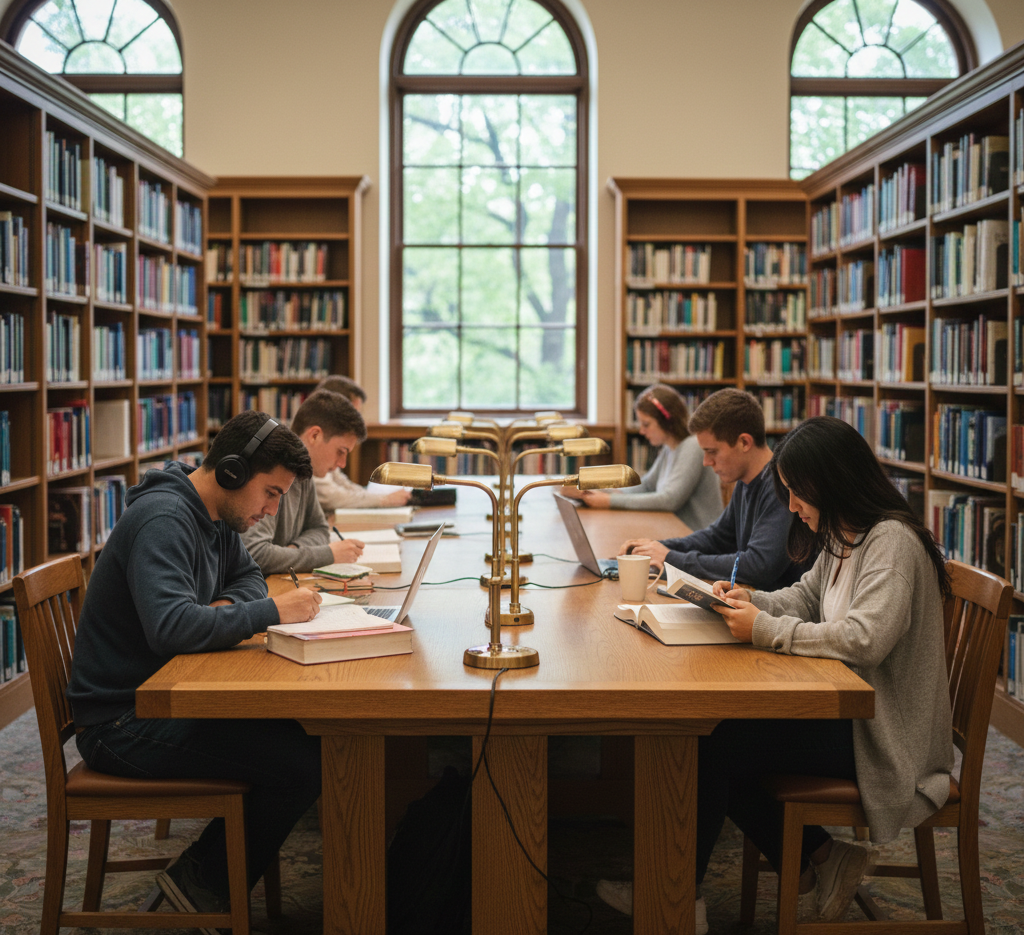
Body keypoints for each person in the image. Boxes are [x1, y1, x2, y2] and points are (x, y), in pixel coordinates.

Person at [600, 416, 954, 930]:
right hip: (857, 713)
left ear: (830, 483)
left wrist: (764, 628)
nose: (791, 507)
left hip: (886, 734)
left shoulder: (890, 543)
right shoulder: (846, 532)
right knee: (720, 743)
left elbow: (865, 639)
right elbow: (807, 597)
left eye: (797, 494)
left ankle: (678, 904)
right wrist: (749, 598)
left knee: (714, 747)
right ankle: (823, 859)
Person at [68, 411, 327, 923]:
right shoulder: (165, 519)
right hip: (120, 721)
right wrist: (273, 612)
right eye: (270, 493)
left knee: (307, 739)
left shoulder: (216, 514)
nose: (271, 511)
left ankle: (207, 874)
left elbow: (249, 578)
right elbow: (171, 628)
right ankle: (201, 880)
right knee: (304, 764)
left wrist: (222, 612)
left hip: (160, 693)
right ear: (232, 472)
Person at [619, 387, 807, 591]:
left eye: (712, 452)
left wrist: (671, 558)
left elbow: (759, 565)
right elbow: (717, 538)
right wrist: (656, 548)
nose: (706, 462)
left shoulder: (781, 485)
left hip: (773, 611)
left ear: (744, 442)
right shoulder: (745, 481)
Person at [562, 384, 721, 531]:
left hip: (695, 537)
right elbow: (646, 486)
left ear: (667, 422)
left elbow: (669, 500)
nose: (642, 432)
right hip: (675, 531)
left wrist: (609, 501)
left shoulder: (692, 447)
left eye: (646, 424)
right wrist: (599, 491)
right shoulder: (669, 449)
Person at [242, 388, 368, 574]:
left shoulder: (305, 473)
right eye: (340, 452)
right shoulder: (270, 470)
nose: (342, 463)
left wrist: (292, 553)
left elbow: (319, 529)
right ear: (314, 435)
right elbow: (257, 554)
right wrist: (327, 555)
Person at [312, 375, 411, 511]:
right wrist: (384, 500)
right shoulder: (311, 439)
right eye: (354, 414)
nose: (357, 421)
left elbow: (341, 482)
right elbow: (329, 496)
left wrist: (372, 497)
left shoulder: (328, 438)